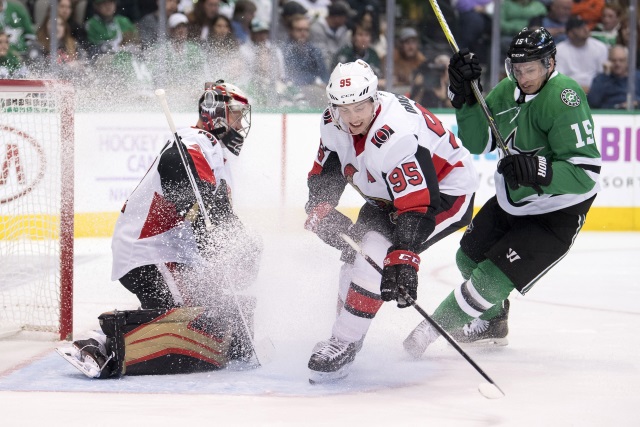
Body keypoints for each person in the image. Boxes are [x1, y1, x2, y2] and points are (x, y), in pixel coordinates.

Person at [403, 27, 601, 357]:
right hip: (514, 200)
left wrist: (538, 170)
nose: (523, 77)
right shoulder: (508, 90)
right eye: (517, 69)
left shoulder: (565, 97)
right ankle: (493, 323)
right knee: (468, 258)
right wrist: (464, 97)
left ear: (550, 64)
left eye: (531, 69)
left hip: (556, 215)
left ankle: (426, 335)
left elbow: (586, 174)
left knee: (489, 279)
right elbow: (478, 141)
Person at [61, 80, 262, 379]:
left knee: (219, 309)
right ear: (215, 111)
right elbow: (174, 169)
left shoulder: (216, 153)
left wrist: (239, 245)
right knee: (184, 316)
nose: (240, 122)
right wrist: (199, 219)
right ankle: (100, 342)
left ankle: (231, 344)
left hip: (174, 253)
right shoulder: (193, 142)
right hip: (149, 248)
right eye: (235, 114)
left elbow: (219, 214)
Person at [304, 59, 479, 383]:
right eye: (345, 109)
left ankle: (344, 341)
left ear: (374, 98)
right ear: (333, 106)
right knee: (355, 256)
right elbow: (328, 167)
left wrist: (403, 258)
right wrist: (320, 206)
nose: (353, 116)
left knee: (373, 256)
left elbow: (416, 205)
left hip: (442, 191)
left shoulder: (394, 133)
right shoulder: (332, 121)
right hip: (387, 192)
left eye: (360, 106)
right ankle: (348, 335)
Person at [555, 15, 608, 93]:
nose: (585, 29)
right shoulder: (559, 50)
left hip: (595, 90)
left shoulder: (600, 47)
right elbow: (559, 79)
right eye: (580, 28)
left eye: (585, 26)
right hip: (569, 91)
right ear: (570, 33)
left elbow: (602, 75)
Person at [588, 44, 640, 109]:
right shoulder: (601, 79)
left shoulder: (637, 77)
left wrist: (637, 103)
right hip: (610, 115)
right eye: (614, 60)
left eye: (621, 60)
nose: (617, 64)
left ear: (627, 61)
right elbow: (593, 102)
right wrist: (605, 75)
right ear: (608, 61)